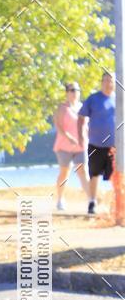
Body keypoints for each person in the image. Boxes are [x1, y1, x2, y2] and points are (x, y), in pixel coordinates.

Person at [77, 71, 116, 215]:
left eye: (111, 81)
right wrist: (81, 136)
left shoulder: (119, 99)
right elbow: (81, 117)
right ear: (101, 82)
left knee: (117, 175)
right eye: (105, 80)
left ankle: (117, 204)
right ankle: (92, 202)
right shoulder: (94, 99)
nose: (108, 83)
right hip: (95, 144)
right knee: (94, 174)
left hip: (115, 146)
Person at [53, 82, 89, 211]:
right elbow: (58, 126)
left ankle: (91, 200)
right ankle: (60, 199)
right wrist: (69, 137)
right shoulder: (62, 108)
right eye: (72, 90)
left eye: (77, 90)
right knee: (64, 172)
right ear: (67, 93)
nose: (75, 93)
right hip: (64, 146)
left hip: (81, 146)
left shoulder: (83, 108)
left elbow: (86, 127)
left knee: (83, 172)